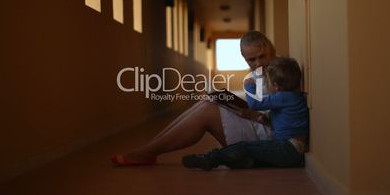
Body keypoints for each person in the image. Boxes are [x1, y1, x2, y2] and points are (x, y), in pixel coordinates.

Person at [111, 31, 277, 166]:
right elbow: (259, 105)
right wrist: (235, 104)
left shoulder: (280, 73)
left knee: (207, 110)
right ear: (244, 57)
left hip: (266, 139)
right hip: (256, 127)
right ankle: (148, 149)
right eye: (251, 59)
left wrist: (251, 113)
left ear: (271, 50)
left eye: (262, 56)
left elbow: (279, 117)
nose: (258, 63)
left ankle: (146, 153)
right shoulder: (257, 74)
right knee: (207, 102)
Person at [181, 57, 309, 171]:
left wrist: (249, 85)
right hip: (291, 148)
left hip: (288, 149)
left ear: (276, 86)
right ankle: (228, 160)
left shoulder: (283, 97)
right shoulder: (293, 97)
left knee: (244, 147)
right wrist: (266, 120)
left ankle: (210, 158)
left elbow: (255, 104)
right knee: (250, 151)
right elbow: (289, 124)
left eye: (268, 82)